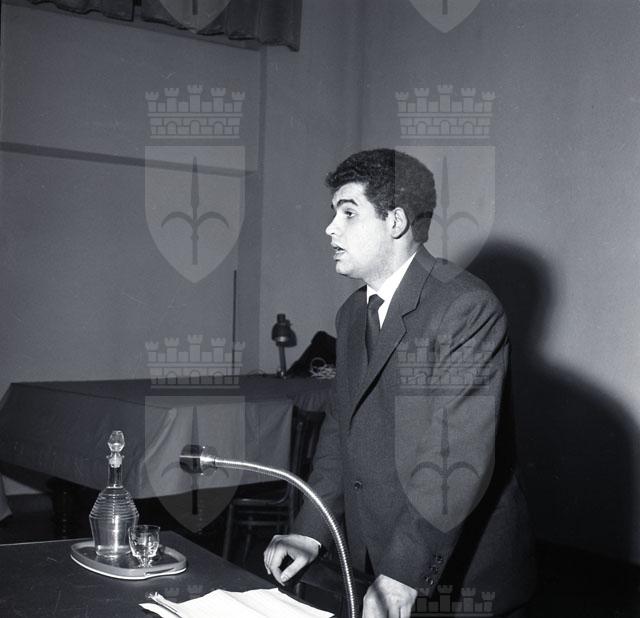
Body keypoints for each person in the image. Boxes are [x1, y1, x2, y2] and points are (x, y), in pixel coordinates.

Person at [264, 149, 536, 617]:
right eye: (333, 213)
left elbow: (458, 453)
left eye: (348, 213)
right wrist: (310, 529)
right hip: (379, 559)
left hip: (458, 574)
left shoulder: (465, 306)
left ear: (395, 221)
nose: (330, 228)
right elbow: (341, 428)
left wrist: (404, 571)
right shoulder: (352, 313)